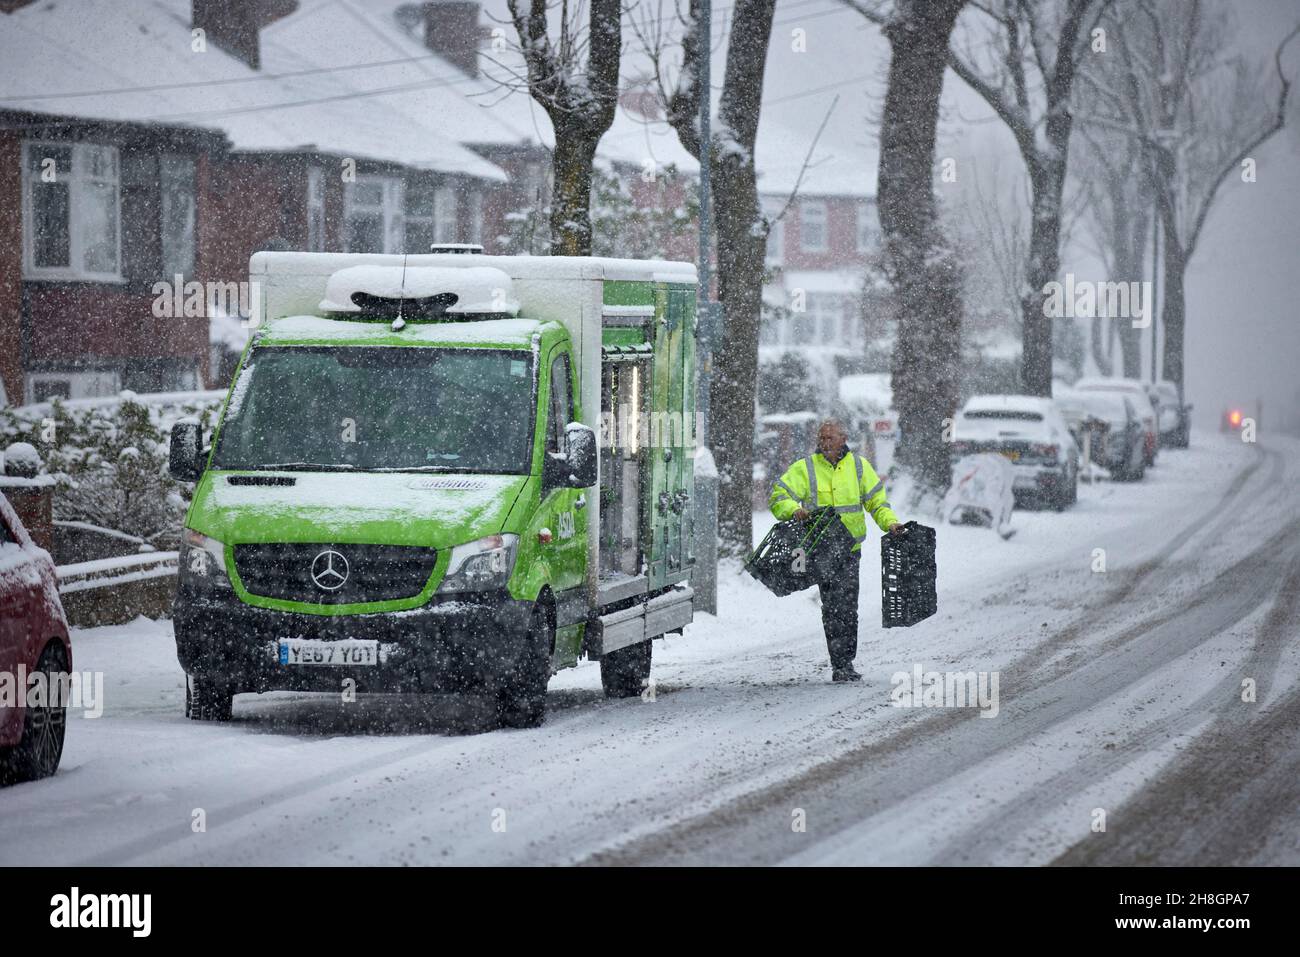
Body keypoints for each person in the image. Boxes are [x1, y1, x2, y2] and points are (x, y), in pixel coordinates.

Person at [769, 418, 904, 682]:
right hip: (821, 551)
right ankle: (839, 663)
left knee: (847, 605)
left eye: (830, 438)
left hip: (849, 549)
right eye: (821, 438)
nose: (824, 443)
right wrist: (793, 510)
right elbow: (778, 497)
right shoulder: (805, 468)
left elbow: (877, 503)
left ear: (843, 439)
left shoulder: (858, 467)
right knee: (832, 606)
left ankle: (845, 662)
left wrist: (891, 524)